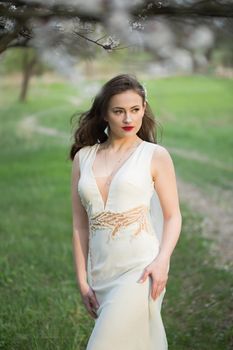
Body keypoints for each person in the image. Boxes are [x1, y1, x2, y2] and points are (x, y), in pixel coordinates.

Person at [70, 74, 182, 350]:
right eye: (118, 111)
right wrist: (83, 280)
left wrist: (162, 261)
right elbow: (79, 224)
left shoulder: (155, 155)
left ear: (144, 108)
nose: (128, 119)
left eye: (135, 110)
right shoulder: (83, 157)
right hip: (101, 273)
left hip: (141, 269)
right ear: (104, 113)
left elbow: (173, 216)